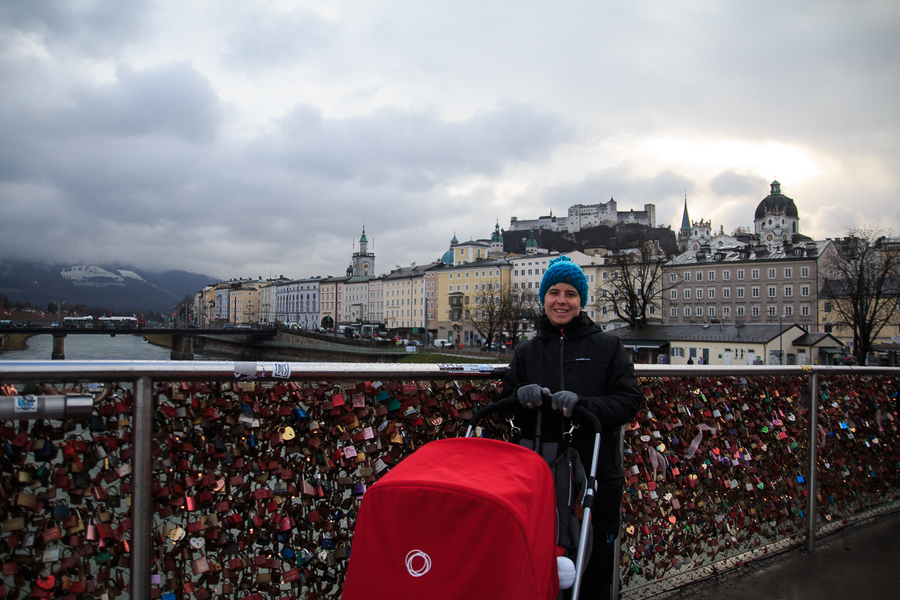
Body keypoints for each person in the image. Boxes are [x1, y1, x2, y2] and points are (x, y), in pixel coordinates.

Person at [499, 256, 642, 599]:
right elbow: (505, 411)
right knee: (540, 557)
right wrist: (520, 397)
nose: (561, 300)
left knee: (594, 566)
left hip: (596, 474)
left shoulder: (608, 347)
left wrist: (583, 404)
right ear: (543, 299)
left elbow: (629, 401)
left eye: (570, 293)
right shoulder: (527, 352)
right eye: (553, 292)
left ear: (581, 300)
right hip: (542, 475)